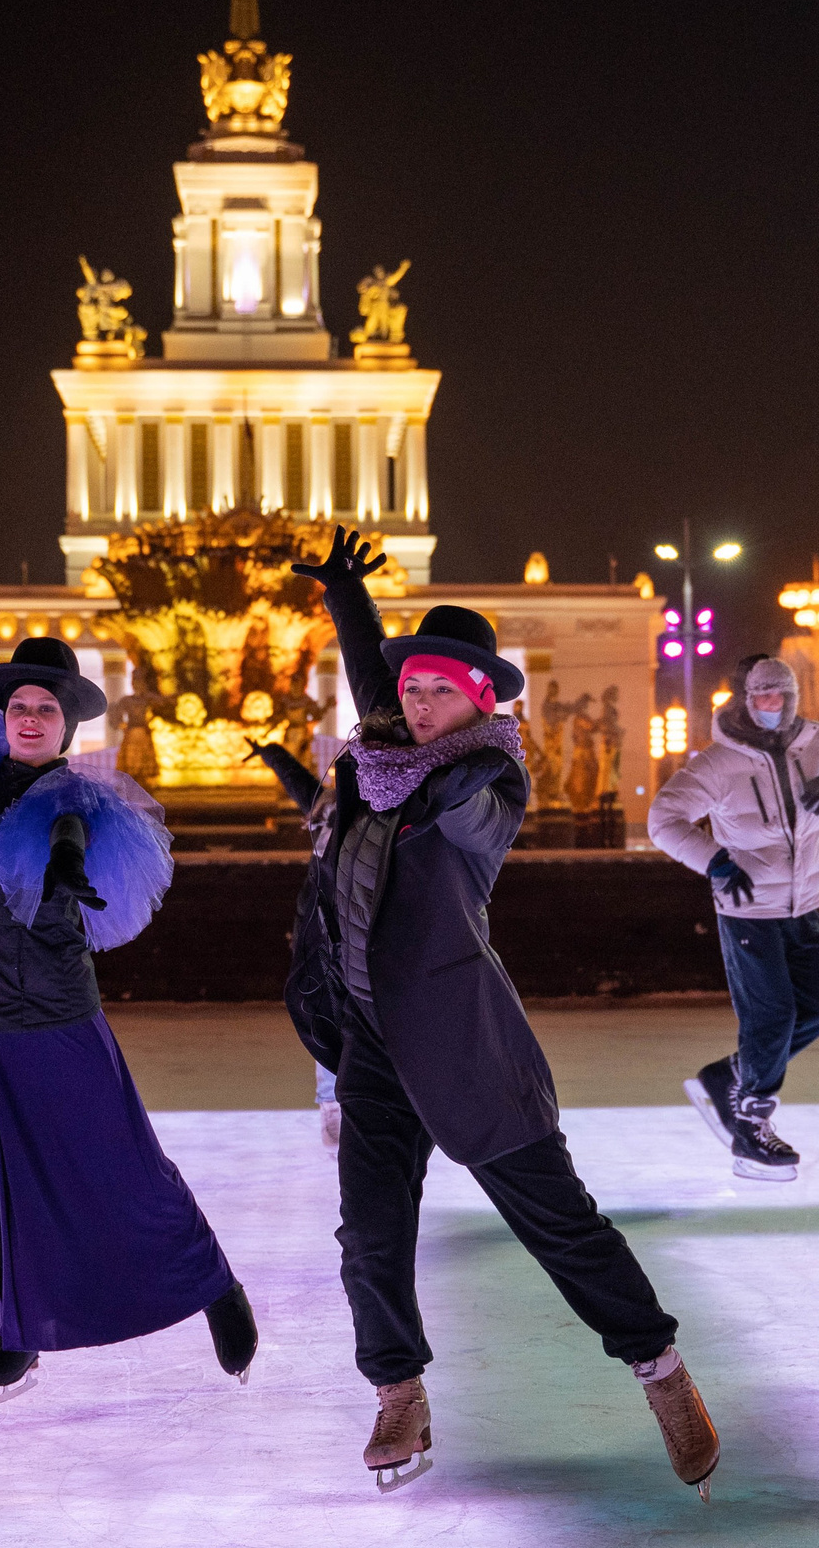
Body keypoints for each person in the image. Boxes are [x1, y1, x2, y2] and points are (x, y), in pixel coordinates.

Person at [292, 527, 719, 1497]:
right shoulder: (378, 758)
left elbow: (450, 818)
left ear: (479, 699)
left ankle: (659, 1369)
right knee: (367, 1233)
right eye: (410, 687)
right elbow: (373, 686)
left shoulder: (485, 776)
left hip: (460, 1037)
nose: (415, 698)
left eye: (438, 687)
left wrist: (398, 774)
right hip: (370, 1041)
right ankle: (397, 1389)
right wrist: (347, 601)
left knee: (557, 1223)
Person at [0, 594, 255, 1401]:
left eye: (47, 709)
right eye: (18, 705)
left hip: (55, 1010)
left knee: (123, 1165)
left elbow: (63, 830)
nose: (29, 718)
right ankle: (17, 1330)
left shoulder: (76, 798)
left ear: (66, 726)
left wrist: (65, 864)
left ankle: (213, 1282)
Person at [646, 654, 819, 1180]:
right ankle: (750, 1125)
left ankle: (730, 1074)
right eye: (759, 698)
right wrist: (712, 859)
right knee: (772, 1016)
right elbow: (664, 819)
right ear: (744, 700)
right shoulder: (717, 764)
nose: (769, 708)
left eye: (778, 697)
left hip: (804, 904)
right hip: (748, 910)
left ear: (792, 698)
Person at [253, 737, 346, 1149]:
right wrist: (272, 752)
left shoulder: (387, 812)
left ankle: (356, 1104)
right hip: (320, 929)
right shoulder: (327, 804)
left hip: (364, 932)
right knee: (325, 1012)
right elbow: (298, 782)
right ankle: (332, 1105)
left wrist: (272, 752)